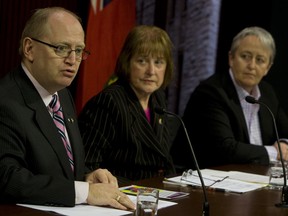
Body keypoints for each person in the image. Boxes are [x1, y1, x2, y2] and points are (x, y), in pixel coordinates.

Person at [0, 7, 135, 210]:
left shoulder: (61, 94)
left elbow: (58, 167)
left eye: (79, 50)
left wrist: (87, 177)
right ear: (29, 49)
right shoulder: (6, 101)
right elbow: (8, 179)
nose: (72, 60)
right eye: (61, 48)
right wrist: (84, 192)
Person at [172, 26, 288, 169]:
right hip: (211, 180)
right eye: (245, 56)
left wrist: (284, 144)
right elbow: (225, 149)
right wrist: (274, 152)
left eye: (260, 60)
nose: (251, 65)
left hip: (256, 177)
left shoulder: (267, 92)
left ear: (268, 68)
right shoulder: (211, 92)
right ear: (231, 58)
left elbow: (285, 131)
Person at [78, 25, 176, 181]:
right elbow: (87, 166)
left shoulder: (158, 97)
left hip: (156, 193)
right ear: (127, 62)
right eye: (142, 61)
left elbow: (162, 158)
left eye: (158, 62)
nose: (151, 71)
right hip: (120, 194)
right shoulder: (110, 102)